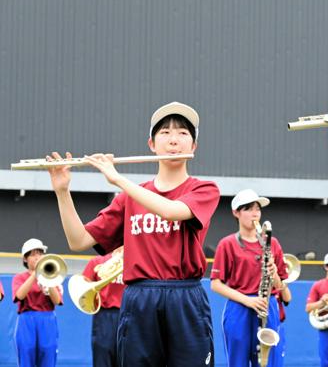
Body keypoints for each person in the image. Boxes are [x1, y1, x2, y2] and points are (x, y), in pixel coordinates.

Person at [47, 101, 220, 366]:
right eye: (165, 132)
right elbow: (78, 240)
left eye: (183, 133)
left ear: (194, 146)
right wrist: (62, 191)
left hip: (185, 298)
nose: (174, 140)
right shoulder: (128, 198)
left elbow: (173, 211)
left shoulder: (204, 189)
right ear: (151, 143)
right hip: (139, 299)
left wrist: (118, 180)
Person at [210, 189, 288, 367]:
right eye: (248, 209)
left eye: (257, 209)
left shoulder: (272, 243)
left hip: (268, 306)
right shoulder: (227, 244)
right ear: (236, 213)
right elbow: (215, 284)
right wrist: (248, 301)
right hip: (239, 308)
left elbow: (282, 286)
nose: (255, 214)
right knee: (238, 362)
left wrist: (274, 272)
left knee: (270, 363)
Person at [12, 238, 63, 367]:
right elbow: (19, 295)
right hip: (26, 320)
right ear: (25, 259)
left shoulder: (52, 275)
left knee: (48, 356)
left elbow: (57, 300)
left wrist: (47, 278)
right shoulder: (19, 277)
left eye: (40, 253)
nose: (37, 257)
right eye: (33, 254)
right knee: (26, 356)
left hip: (47, 319)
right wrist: (35, 274)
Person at [81, 247, 125, 367]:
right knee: (102, 360)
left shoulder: (135, 262)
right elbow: (83, 288)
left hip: (129, 316)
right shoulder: (97, 262)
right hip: (104, 317)